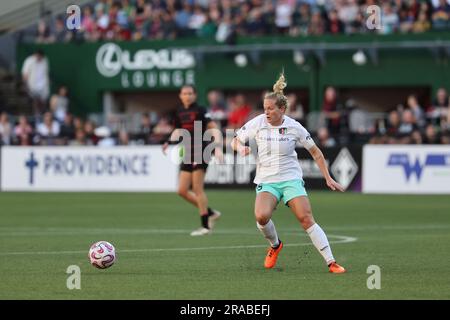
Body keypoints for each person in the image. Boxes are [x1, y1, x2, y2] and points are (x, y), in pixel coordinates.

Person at [231, 73, 346, 273]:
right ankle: (275, 245)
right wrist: (240, 149)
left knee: (306, 218)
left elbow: (316, 153)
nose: (266, 112)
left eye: (270, 108)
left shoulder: (294, 126)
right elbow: (235, 140)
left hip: (290, 178)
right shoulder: (258, 122)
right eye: (265, 108)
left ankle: (331, 262)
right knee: (261, 216)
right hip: (267, 180)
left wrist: (328, 177)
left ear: (282, 109)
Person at [162, 85, 223, 236]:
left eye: (190, 93)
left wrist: (218, 147)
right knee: (182, 191)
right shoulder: (179, 111)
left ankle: (205, 226)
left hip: (201, 150)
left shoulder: (200, 110)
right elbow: (177, 130)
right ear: (180, 95)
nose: (187, 96)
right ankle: (210, 213)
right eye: (184, 93)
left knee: (197, 189)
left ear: (194, 95)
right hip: (188, 152)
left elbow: (213, 128)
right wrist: (168, 142)